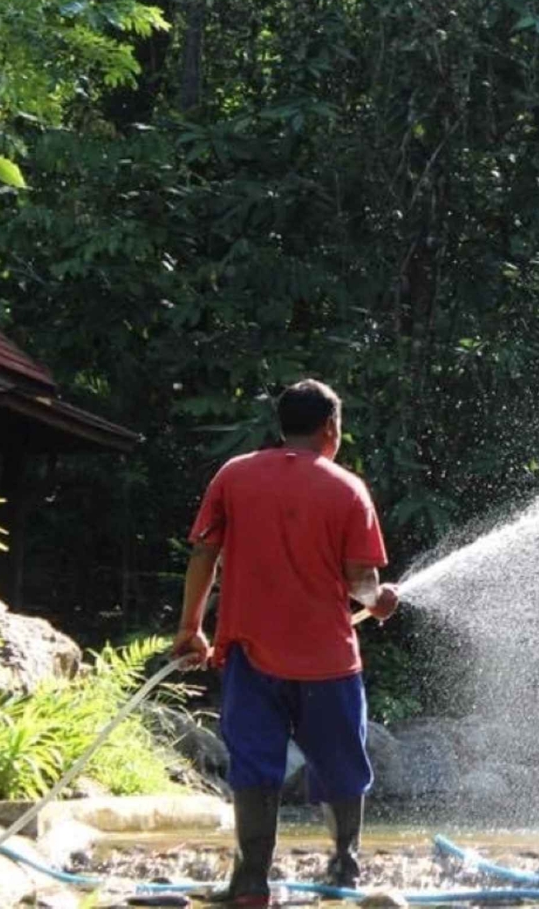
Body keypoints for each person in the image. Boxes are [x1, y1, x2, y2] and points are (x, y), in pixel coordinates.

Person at [171, 379, 400, 904]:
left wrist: (190, 628)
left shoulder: (234, 475)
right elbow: (361, 580)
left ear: (281, 425)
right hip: (327, 662)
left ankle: (252, 882)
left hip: (250, 656)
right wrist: (380, 600)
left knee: (254, 765)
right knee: (341, 764)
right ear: (330, 428)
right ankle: (343, 872)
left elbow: (203, 554)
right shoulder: (347, 488)